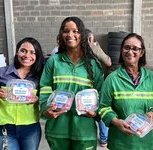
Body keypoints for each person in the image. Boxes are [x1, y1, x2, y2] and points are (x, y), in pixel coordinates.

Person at [39, 17, 104, 150]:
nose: (70, 35)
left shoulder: (93, 64)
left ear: (82, 35)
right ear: (61, 35)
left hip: (84, 132)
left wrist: (96, 112)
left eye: (76, 31)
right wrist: (46, 110)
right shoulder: (54, 61)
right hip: (57, 130)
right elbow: (45, 88)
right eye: (66, 31)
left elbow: (101, 95)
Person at [98, 33, 153, 150]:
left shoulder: (152, 78)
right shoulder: (112, 79)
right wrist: (116, 121)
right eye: (126, 47)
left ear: (141, 53)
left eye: (135, 48)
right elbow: (103, 106)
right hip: (121, 142)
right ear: (121, 50)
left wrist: (152, 114)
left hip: (149, 143)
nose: (130, 51)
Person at [0, 37, 44, 150]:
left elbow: (45, 99)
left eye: (32, 52)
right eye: (23, 50)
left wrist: (37, 99)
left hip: (31, 130)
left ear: (37, 56)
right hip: (5, 129)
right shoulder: (0, 73)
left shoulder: (40, 76)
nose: (27, 55)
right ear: (17, 51)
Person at [85, 28, 109, 147]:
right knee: (100, 111)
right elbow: (108, 62)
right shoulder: (94, 49)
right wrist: (96, 47)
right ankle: (104, 138)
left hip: (86, 88)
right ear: (90, 38)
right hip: (97, 85)